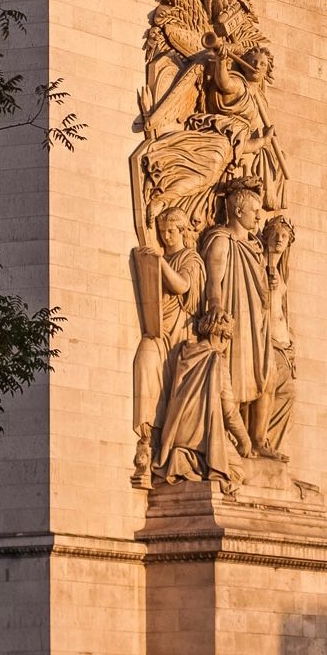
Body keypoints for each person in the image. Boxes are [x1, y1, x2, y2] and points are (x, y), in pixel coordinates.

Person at [131, 206, 204, 482]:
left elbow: (182, 286)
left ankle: (168, 449)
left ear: (184, 231)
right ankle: (148, 438)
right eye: (162, 233)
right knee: (144, 362)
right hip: (158, 332)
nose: (166, 237)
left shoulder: (191, 259)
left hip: (180, 339)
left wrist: (160, 263)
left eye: (171, 231)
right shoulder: (164, 254)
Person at [199, 173, 272, 435]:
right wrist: (216, 306)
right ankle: (227, 436)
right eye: (254, 210)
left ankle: (254, 438)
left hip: (255, 320)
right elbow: (214, 281)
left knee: (261, 375)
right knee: (235, 375)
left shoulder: (254, 246)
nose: (258, 216)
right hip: (234, 314)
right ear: (238, 210)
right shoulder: (221, 239)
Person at [154, 308, 253, 486]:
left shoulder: (185, 355)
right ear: (223, 337)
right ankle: (199, 463)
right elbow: (229, 411)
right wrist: (244, 440)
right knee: (237, 472)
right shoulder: (217, 361)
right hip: (201, 439)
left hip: (176, 437)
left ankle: (186, 461)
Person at [248, 216, 296, 459]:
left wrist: (290, 339)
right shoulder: (258, 264)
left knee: (287, 393)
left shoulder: (281, 271)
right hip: (264, 340)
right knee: (267, 386)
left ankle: (268, 442)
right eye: (275, 234)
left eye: (284, 236)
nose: (279, 239)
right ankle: (258, 441)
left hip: (282, 345)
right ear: (265, 236)